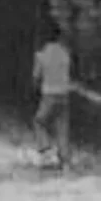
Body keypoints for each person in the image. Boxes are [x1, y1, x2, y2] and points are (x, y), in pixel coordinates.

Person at [32, 21, 74, 168]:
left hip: (49, 93)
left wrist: (36, 88)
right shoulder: (65, 53)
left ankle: (46, 150)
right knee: (62, 126)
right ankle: (64, 159)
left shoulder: (41, 54)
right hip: (64, 94)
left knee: (39, 121)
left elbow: (36, 76)